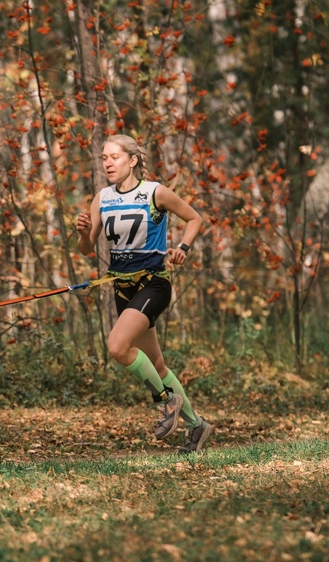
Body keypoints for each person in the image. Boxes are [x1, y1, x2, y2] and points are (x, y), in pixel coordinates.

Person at [76, 134, 213, 454]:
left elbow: (195, 218)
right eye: (104, 158)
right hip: (122, 288)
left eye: (115, 157)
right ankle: (198, 427)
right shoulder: (102, 198)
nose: (108, 163)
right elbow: (86, 249)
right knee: (157, 364)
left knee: (117, 346)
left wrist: (182, 247)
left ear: (133, 160)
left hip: (153, 285)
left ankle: (166, 401)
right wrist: (83, 234)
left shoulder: (154, 192)